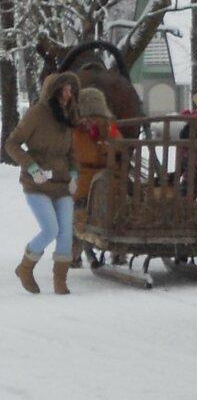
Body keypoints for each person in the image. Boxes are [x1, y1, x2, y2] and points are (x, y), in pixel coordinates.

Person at [9, 73, 81, 295]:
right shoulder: (37, 114)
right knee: (50, 229)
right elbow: (12, 143)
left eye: (71, 89)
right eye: (65, 89)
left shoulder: (68, 115)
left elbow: (70, 151)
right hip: (37, 184)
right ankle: (25, 267)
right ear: (54, 91)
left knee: (66, 233)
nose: (69, 94)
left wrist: (74, 174)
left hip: (61, 184)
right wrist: (32, 167)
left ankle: (60, 281)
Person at [69, 88, 123, 207]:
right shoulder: (112, 126)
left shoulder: (78, 130)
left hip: (85, 189)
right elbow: (120, 146)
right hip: (113, 186)